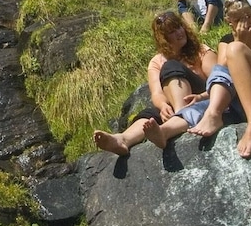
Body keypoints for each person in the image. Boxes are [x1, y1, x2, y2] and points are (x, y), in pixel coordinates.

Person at [141, 0, 251, 148]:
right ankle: (165, 131)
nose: (245, 22)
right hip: (235, 99)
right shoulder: (226, 41)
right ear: (230, 22)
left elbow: (221, 74)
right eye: (238, 19)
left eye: (248, 16)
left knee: (235, 52)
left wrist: (240, 44)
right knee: (200, 106)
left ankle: (212, 113)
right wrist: (164, 105)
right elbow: (222, 75)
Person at [92, 11, 218, 156]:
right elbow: (157, 93)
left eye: (179, 27)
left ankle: (177, 120)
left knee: (171, 66)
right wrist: (163, 106)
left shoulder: (201, 51)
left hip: (202, 98)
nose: (179, 33)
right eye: (172, 32)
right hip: (176, 103)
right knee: (149, 116)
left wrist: (200, 97)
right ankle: (123, 140)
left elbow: (219, 82)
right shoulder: (157, 61)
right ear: (163, 38)